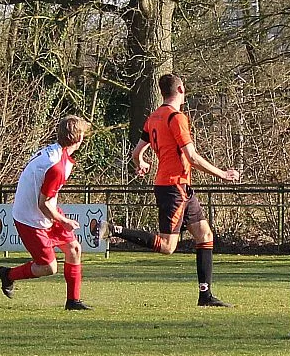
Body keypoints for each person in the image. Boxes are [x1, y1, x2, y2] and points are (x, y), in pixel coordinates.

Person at [102, 74, 240, 307]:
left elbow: (136, 152)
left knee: (205, 235)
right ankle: (114, 229)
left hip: (179, 187)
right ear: (180, 89)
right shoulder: (177, 118)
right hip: (173, 187)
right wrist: (222, 174)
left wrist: (140, 162)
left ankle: (205, 295)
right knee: (167, 246)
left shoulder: (154, 117)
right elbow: (191, 157)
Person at [0, 116, 92, 310]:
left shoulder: (57, 153)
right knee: (48, 267)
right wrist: (64, 221)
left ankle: (73, 301)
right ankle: (8, 275)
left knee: (74, 249)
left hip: (43, 211)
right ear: (79, 138)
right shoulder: (57, 167)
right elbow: (43, 204)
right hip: (30, 218)